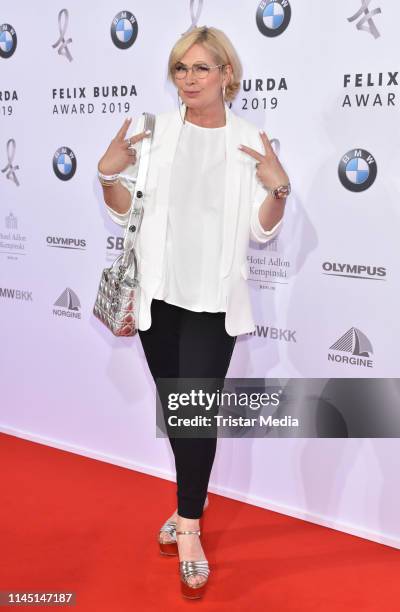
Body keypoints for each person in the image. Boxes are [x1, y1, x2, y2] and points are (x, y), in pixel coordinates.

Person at [97, 26, 290, 600]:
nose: (189, 79)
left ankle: (188, 529)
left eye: (202, 68)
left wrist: (278, 190)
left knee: (194, 414)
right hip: (158, 297)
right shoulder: (149, 131)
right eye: (181, 68)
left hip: (214, 302)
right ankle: (190, 502)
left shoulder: (250, 137)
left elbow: (259, 230)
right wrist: (108, 175)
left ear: (226, 74)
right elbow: (124, 214)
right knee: (180, 415)